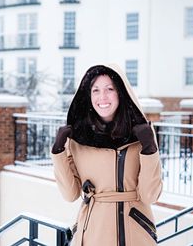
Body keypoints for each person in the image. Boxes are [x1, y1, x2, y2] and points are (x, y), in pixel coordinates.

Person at [51, 64, 162, 246]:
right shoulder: (78, 137)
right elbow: (70, 194)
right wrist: (58, 152)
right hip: (93, 232)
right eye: (95, 90)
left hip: (133, 232)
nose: (102, 97)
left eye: (109, 89)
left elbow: (150, 195)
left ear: (121, 93)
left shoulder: (142, 134)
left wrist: (149, 149)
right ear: (89, 95)